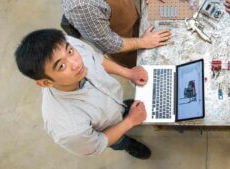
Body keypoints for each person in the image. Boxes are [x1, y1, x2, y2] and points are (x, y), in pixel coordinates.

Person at [15, 29, 152, 159]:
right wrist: (130, 121)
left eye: (70, 52)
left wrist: (128, 73)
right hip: (106, 128)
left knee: (125, 107)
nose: (76, 63)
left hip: (114, 101)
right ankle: (127, 144)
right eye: (61, 66)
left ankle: (124, 110)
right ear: (45, 83)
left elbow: (96, 59)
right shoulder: (69, 129)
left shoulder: (64, 45)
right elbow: (98, 143)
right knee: (119, 141)